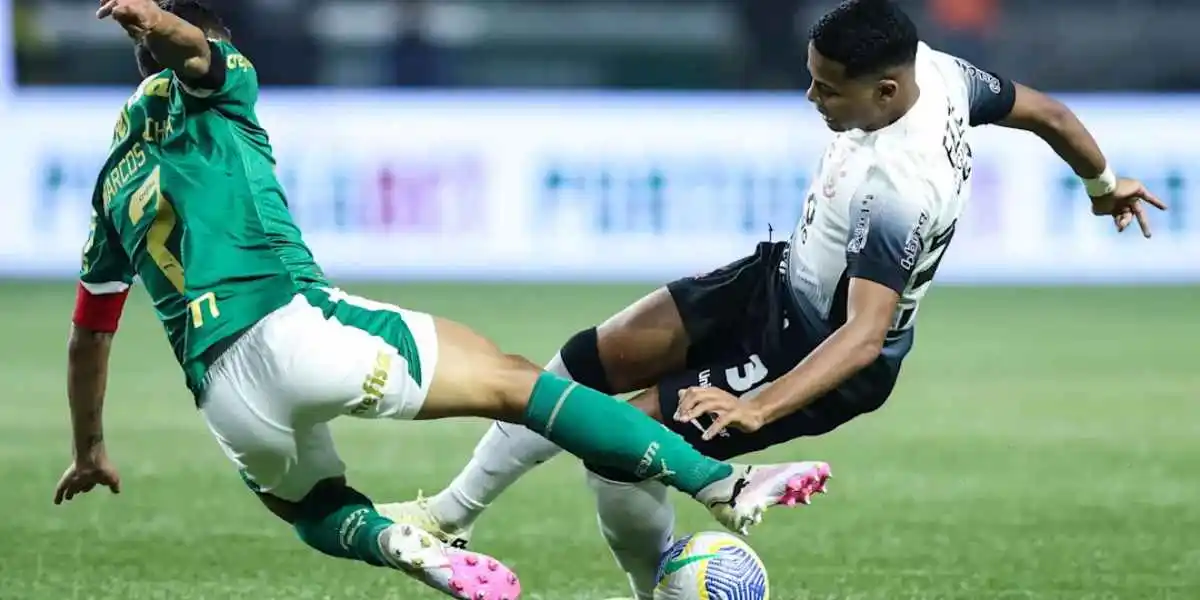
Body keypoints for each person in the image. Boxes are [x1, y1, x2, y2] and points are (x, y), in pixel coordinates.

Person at [378, 0, 1166, 598]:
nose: (811, 98)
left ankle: (662, 583)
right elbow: (1050, 114)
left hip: (817, 350)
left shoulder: (900, 182)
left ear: (888, 91)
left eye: (828, 89)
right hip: (778, 278)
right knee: (591, 360)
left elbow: (864, 335)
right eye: (811, 76)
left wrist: (761, 407)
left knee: (617, 454)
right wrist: (1105, 183)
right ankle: (452, 513)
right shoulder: (940, 71)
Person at [50, 2, 834, 599]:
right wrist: (159, 22)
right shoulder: (223, 90)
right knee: (518, 382)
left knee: (312, 508)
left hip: (222, 396)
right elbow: (195, 51)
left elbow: (90, 338)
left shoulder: (112, 186)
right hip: (294, 327)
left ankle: (403, 544)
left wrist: (89, 449)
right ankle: (723, 487)